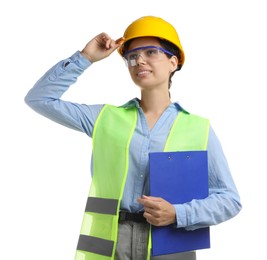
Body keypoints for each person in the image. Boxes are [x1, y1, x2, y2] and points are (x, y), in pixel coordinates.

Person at [24, 16, 242, 260]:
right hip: (110, 246)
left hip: (170, 245)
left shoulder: (198, 128)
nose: (139, 60)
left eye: (151, 52)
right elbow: (39, 99)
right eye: (132, 56)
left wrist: (179, 214)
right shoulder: (104, 118)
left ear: (173, 62)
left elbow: (229, 200)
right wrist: (85, 58)